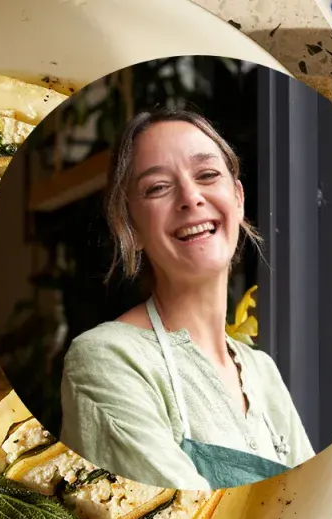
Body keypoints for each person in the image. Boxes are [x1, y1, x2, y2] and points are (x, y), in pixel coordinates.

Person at [60, 110, 313, 490]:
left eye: (208, 175)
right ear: (130, 225)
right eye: (158, 187)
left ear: (238, 199)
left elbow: (317, 496)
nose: (191, 197)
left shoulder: (263, 372)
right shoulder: (106, 357)